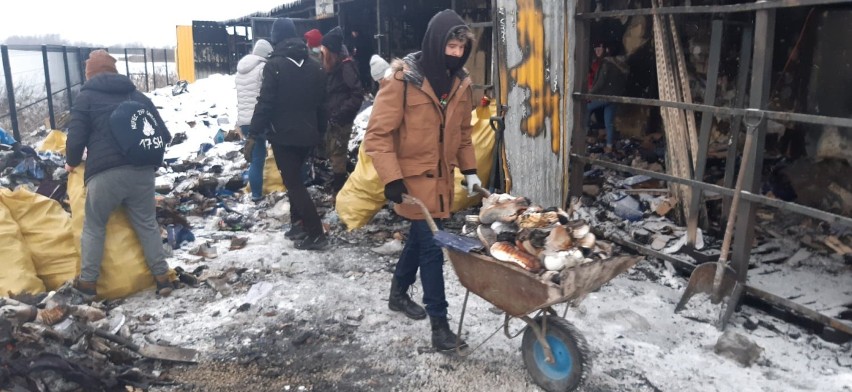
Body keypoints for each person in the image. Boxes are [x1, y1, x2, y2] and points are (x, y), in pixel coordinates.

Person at [364, 9, 481, 351]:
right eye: (451, 45)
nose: (456, 53)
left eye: (461, 47)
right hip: (412, 183)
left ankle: (398, 293)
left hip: (443, 183)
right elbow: (378, 136)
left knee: (420, 240)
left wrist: (470, 170)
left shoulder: (461, 83)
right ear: (434, 43)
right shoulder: (402, 81)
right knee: (432, 249)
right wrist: (392, 179)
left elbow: (462, 134)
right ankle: (440, 328)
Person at [65, 49, 173, 301]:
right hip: (142, 171)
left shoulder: (86, 97)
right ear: (114, 71)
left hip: (106, 174)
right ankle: (162, 278)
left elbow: (76, 137)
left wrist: (71, 163)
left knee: (94, 226)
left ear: (89, 74)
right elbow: (163, 134)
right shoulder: (136, 94)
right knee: (147, 224)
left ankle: (88, 284)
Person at [251, 18, 329, 250]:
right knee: (297, 179)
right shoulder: (315, 66)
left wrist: (254, 132)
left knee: (293, 182)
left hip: (283, 136)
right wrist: (321, 131)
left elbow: (265, 102)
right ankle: (299, 224)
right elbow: (322, 105)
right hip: (309, 134)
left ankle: (316, 233)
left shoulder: (274, 65)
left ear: (276, 38)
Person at [321, 26, 364, 196]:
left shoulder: (346, 67)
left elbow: (357, 95)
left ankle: (340, 191)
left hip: (341, 119)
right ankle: (339, 184)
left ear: (331, 50)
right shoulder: (334, 64)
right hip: (335, 117)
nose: (321, 52)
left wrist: (339, 113)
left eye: (324, 49)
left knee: (338, 153)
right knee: (334, 151)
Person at [235, 39, 273, 203]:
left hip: (244, 120)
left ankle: (256, 194)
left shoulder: (240, 70)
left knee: (256, 158)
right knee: (272, 156)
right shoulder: (262, 69)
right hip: (260, 119)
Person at [587, 42, 628, 153]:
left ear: (606, 50)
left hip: (604, 96)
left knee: (586, 109)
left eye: (599, 48)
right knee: (609, 122)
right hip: (614, 97)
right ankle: (609, 146)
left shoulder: (606, 64)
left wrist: (590, 93)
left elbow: (601, 82)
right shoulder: (619, 64)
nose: (597, 51)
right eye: (596, 49)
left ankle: (585, 136)